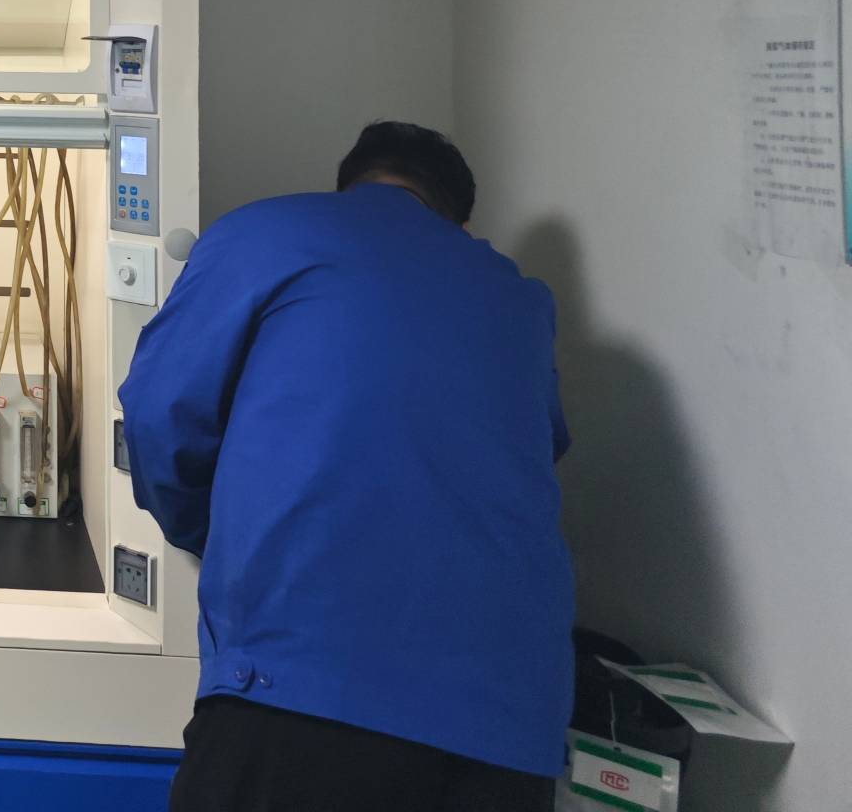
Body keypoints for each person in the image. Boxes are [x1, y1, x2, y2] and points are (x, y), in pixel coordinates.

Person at [120, 122, 573, 812]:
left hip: (301, 693)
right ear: (460, 222)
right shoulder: (519, 297)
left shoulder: (266, 232)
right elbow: (543, 447)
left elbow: (159, 414)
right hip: (511, 727)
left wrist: (208, 534)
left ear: (349, 187)